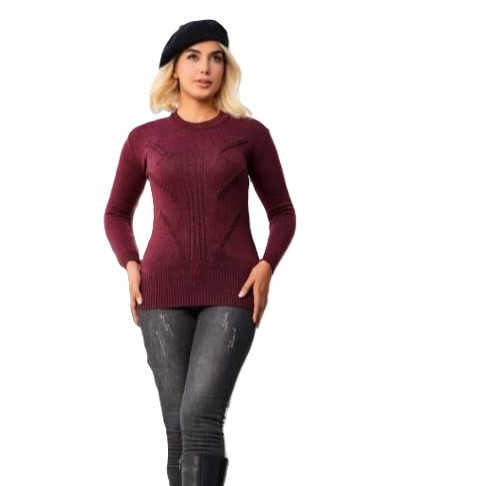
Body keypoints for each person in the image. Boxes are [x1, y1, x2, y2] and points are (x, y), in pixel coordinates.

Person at [103, 19, 296, 486]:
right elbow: (115, 213)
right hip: (161, 292)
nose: (204, 68)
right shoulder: (144, 138)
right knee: (177, 427)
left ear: (226, 68)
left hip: (232, 290)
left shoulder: (250, 134)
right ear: (173, 69)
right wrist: (130, 263)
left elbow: (282, 212)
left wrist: (267, 265)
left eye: (215, 58)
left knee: (200, 416)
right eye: (193, 57)